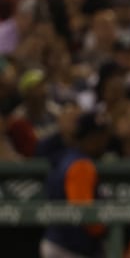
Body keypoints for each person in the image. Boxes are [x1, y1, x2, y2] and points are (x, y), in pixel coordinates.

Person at [40, 110, 111, 258]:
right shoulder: (81, 165)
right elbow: (85, 215)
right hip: (68, 249)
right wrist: (105, 226)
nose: (105, 141)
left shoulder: (67, 157)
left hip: (61, 244)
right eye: (101, 136)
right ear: (91, 137)